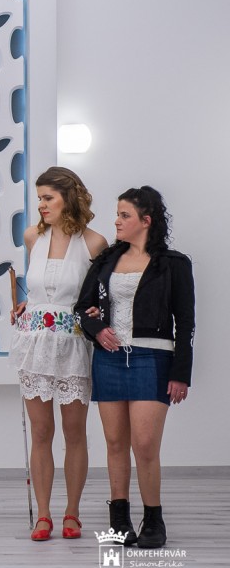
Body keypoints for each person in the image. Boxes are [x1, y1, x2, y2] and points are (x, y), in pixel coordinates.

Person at [75, 186, 194, 549]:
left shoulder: (173, 264)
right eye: (117, 214)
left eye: (124, 215)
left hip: (153, 359)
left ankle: (153, 520)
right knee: (115, 443)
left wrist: (181, 373)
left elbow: (185, 323)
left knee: (144, 445)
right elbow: (82, 309)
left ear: (146, 221)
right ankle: (119, 519)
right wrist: (97, 328)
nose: (116, 221)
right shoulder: (106, 261)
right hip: (108, 359)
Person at [10, 168, 108, 541]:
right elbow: (39, 289)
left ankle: (73, 512)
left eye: (48, 197)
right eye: (39, 198)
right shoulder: (32, 237)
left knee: (74, 431)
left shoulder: (95, 243)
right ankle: (43, 515)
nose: (41, 205)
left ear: (69, 197)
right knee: (41, 431)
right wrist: (26, 303)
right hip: (34, 344)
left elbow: (98, 297)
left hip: (73, 345)